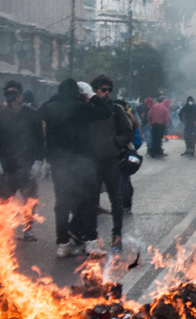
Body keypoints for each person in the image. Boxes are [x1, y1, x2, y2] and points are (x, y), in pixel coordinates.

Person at [40, 78, 112, 258]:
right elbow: (106, 112)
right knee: (88, 201)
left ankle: (62, 243)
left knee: (62, 203)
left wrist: (58, 96)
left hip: (58, 164)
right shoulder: (81, 109)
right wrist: (92, 96)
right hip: (81, 162)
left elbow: (39, 112)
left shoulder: (50, 109)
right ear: (77, 94)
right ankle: (90, 242)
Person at [0, 81, 45, 240]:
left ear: (20, 95)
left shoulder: (31, 114)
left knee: (29, 199)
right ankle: (1, 229)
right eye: (7, 94)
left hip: (27, 165)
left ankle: (28, 230)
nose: (10, 97)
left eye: (13, 93)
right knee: (3, 200)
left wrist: (38, 161)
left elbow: (39, 140)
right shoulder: (1, 115)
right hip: (7, 166)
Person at [88, 76, 133, 252]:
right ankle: (90, 238)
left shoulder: (116, 110)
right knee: (91, 201)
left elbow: (128, 133)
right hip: (91, 162)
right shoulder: (87, 110)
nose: (106, 93)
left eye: (109, 90)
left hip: (111, 160)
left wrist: (115, 142)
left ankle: (116, 237)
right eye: (102, 89)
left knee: (116, 198)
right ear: (94, 91)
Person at [116, 99, 141, 215]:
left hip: (119, 153)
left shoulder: (120, 120)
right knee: (125, 180)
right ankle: (126, 205)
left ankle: (122, 205)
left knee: (121, 181)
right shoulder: (130, 119)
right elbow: (137, 139)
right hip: (128, 152)